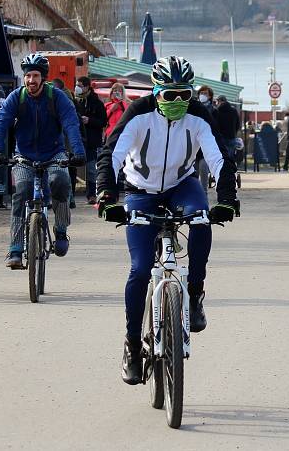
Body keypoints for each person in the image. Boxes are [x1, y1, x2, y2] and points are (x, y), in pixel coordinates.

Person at [96, 55, 239, 386]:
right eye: (168, 95)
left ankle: (195, 292)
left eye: (184, 95)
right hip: (140, 190)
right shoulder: (138, 113)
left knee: (202, 219)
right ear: (155, 91)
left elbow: (220, 158)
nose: (177, 102)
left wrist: (228, 200)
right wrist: (106, 196)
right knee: (140, 269)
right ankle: (132, 345)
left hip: (181, 186)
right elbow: (111, 154)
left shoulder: (199, 116)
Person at [0, 53, 86, 268]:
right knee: (21, 192)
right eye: (27, 76)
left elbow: (71, 124)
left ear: (43, 77)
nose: (31, 80)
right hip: (24, 155)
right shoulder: (17, 97)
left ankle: (61, 230)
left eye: (35, 76)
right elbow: (0, 123)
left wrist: (78, 153)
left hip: (54, 153)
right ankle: (15, 249)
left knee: (60, 183)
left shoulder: (57, 97)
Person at [75, 76, 107, 204]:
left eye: (80, 85)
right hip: (77, 140)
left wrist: (90, 120)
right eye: (77, 85)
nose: (78, 87)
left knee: (91, 169)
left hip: (92, 141)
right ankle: (70, 196)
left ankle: (91, 195)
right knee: (72, 168)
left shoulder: (97, 103)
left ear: (87, 87)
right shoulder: (76, 102)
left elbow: (103, 121)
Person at [52, 78, 80, 209]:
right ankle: (69, 198)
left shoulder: (64, 102)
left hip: (64, 143)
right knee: (66, 172)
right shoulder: (68, 99)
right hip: (65, 143)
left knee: (64, 172)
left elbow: (69, 124)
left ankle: (68, 199)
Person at [195, 85, 216, 192]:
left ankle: (203, 196)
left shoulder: (213, 111)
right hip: (193, 147)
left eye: (205, 93)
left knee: (203, 171)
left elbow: (216, 128)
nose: (203, 95)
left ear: (210, 96)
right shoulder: (194, 109)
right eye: (201, 93)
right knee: (192, 176)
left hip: (205, 147)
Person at [213, 94, 240, 160]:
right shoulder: (234, 111)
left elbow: (215, 125)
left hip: (221, 138)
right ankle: (229, 169)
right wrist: (234, 132)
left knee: (222, 157)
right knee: (230, 157)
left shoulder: (217, 111)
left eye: (217, 102)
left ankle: (223, 169)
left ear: (220, 101)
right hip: (232, 137)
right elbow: (238, 124)